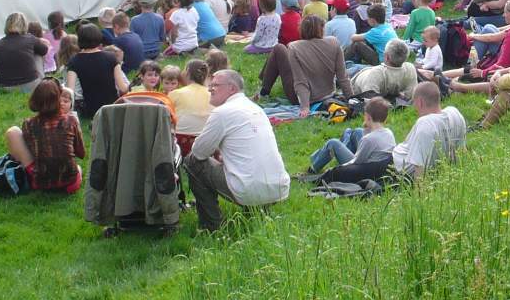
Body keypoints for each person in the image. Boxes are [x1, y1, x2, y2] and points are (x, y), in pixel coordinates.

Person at [183, 70, 290, 232]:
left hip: (248, 189)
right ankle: (257, 212)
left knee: (192, 161)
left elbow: (198, 152)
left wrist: (216, 152)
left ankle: (211, 226)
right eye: (210, 85)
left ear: (232, 88)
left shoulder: (222, 112)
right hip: (278, 187)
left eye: (215, 85)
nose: (209, 89)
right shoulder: (255, 108)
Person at [5, 80, 85, 194]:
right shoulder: (71, 120)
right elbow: (81, 153)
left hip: (40, 182)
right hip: (70, 183)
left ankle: (23, 174)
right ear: (58, 99)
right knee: (78, 168)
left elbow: (32, 152)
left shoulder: (29, 124)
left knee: (13, 132)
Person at [304, 96, 396, 178]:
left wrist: (335, 170)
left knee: (333, 143)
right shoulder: (389, 133)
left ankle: (312, 169)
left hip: (362, 171)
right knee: (357, 131)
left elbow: (356, 162)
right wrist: (367, 128)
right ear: (385, 118)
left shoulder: (368, 139)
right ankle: (343, 140)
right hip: (379, 167)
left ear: (368, 117)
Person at [391, 82, 467, 177]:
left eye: (414, 102)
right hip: (437, 167)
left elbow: (419, 168)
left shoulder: (426, 124)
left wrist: (419, 187)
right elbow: (462, 152)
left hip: (399, 168)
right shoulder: (455, 113)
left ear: (420, 102)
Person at [284, 15, 352, 118]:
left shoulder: (294, 47)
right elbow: (343, 77)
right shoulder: (334, 42)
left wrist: (305, 107)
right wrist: (351, 98)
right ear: (321, 29)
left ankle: (264, 92)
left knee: (278, 49)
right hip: (329, 94)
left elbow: (300, 81)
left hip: (308, 99)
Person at [64, 23, 127, 127]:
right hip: (113, 106)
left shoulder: (74, 61)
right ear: (98, 37)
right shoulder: (111, 57)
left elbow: (70, 91)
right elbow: (122, 88)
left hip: (91, 109)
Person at [168, 58, 211, 157]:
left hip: (180, 142)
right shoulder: (212, 94)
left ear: (187, 72)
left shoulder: (175, 93)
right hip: (205, 142)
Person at [353, 38, 419, 102]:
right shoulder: (410, 68)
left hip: (357, 79)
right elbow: (410, 95)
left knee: (351, 65)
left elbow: (370, 102)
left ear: (386, 57)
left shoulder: (376, 74)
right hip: (368, 72)